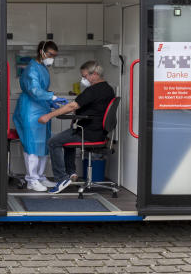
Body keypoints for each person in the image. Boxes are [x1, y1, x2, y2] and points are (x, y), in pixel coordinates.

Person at [38, 61, 115, 194]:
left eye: (85, 76)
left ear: (95, 74)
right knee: (67, 141)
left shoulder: (93, 90)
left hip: (88, 133)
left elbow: (73, 106)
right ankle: (71, 173)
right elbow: (93, 108)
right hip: (99, 133)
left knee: (53, 142)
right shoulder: (108, 88)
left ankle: (62, 178)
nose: (83, 79)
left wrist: (49, 116)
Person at [13, 40, 59, 192]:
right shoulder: (32, 69)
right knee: (32, 144)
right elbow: (34, 90)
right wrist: (52, 97)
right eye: (50, 54)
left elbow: (41, 91)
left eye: (54, 56)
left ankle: (40, 177)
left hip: (42, 108)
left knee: (44, 144)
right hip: (30, 110)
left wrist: (50, 102)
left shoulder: (43, 68)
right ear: (42, 51)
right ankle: (32, 179)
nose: (52, 58)